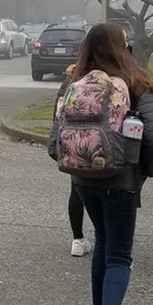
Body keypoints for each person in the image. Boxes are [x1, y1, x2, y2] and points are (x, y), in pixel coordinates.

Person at [49, 23, 153, 305]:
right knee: (119, 253)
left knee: (101, 240)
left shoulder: (73, 83)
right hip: (122, 178)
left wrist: (70, 160)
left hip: (84, 177)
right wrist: (145, 169)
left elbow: (55, 136)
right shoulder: (137, 82)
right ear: (123, 46)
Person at [55, 64, 90, 257]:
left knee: (76, 190)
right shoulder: (116, 80)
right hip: (105, 147)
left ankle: (77, 239)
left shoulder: (73, 80)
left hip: (75, 144)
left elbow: (57, 113)